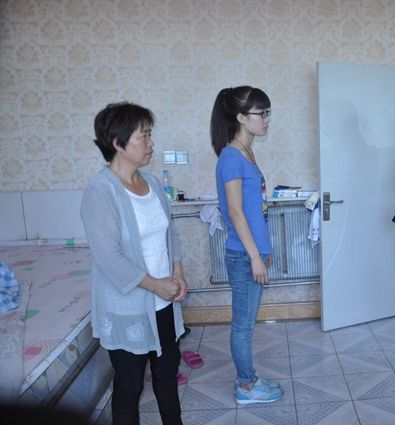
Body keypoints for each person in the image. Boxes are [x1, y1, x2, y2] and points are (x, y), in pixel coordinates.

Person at [81, 102, 188, 425]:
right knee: (129, 386)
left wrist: (177, 272)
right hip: (127, 307)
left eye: (150, 134)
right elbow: (109, 257)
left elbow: (170, 234)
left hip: (163, 302)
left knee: (167, 374)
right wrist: (156, 285)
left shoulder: (153, 184)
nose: (151, 143)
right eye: (144, 136)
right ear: (118, 143)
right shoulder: (101, 191)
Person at [210, 86, 283, 404]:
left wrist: (263, 251)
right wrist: (254, 256)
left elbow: (255, 211)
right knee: (243, 326)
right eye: (260, 113)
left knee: (246, 323)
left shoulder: (246, 153)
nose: (266, 119)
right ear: (241, 117)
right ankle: (247, 386)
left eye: (267, 112)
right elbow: (236, 212)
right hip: (243, 255)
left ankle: (248, 380)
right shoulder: (231, 157)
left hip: (252, 252)